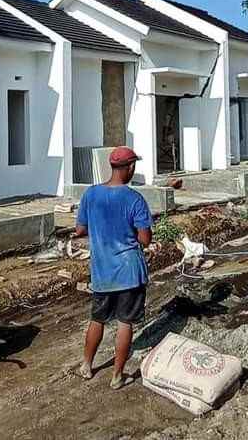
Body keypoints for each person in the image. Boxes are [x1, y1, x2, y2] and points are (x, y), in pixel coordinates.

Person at [74, 146, 153, 389]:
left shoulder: (91, 194)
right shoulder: (134, 199)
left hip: (102, 272)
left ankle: (86, 365)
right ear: (130, 167)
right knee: (124, 323)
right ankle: (117, 376)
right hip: (129, 272)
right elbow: (145, 239)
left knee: (97, 319)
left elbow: (80, 230)